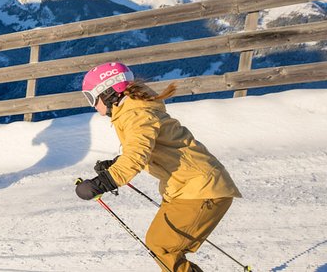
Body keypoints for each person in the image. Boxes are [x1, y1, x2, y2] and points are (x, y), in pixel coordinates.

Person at [74, 62, 241, 272]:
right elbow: (144, 147)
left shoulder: (136, 114)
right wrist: (116, 164)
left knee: (162, 245)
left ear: (108, 92)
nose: (92, 105)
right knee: (159, 243)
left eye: (91, 97)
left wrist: (102, 183)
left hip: (201, 189)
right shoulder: (134, 109)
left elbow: (136, 156)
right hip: (188, 187)